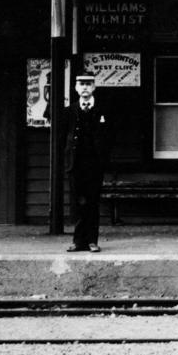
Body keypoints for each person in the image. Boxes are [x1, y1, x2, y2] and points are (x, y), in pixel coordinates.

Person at [65, 74, 112, 252]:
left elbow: (109, 136)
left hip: (94, 164)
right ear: (76, 88)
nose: (84, 87)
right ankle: (78, 242)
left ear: (93, 87)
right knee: (78, 203)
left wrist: (103, 158)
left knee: (92, 202)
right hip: (75, 164)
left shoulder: (103, 111)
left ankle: (92, 241)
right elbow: (63, 138)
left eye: (88, 84)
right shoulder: (68, 111)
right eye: (81, 84)